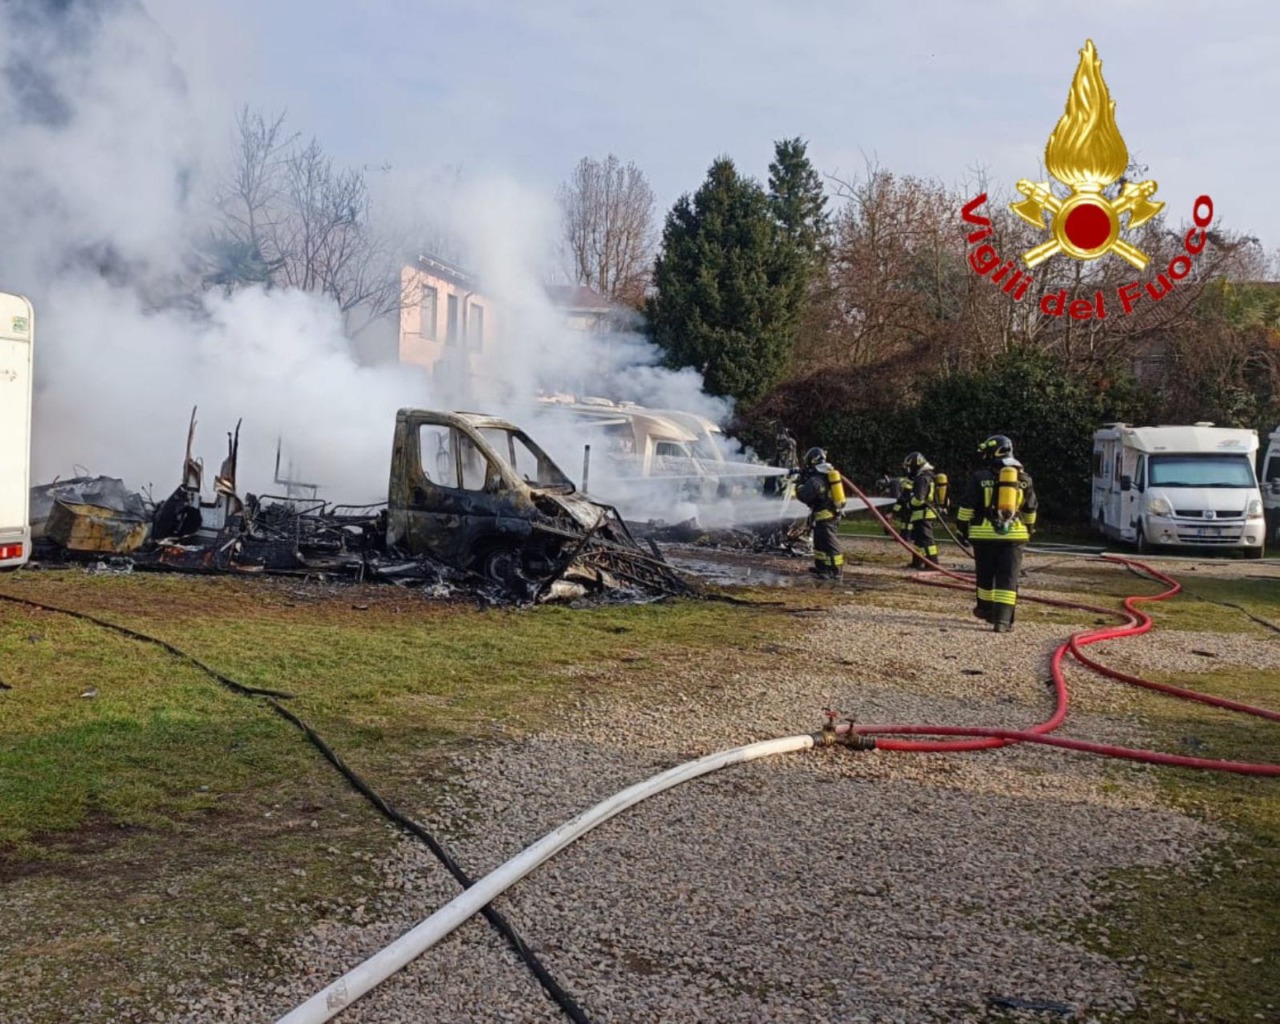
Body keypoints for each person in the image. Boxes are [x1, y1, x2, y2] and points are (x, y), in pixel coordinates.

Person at [956, 434, 1038, 633]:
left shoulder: (980, 477)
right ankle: (1002, 621)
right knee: (1008, 577)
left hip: (983, 535)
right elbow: (1030, 509)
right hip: (1013, 536)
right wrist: (1028, 529)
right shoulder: (1024, 478)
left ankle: (985, 610)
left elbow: (966, 507)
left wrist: (962, 529)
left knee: (985, 575)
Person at [794, 446, 846, 579]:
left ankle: (835, 571)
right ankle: (822, 568)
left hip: (826, 517)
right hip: (823, 516)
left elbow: (804, 496)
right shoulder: (823, 475)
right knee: (820, 543)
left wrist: (798, 484)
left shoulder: (815, 480)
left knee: (829, 544)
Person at [892, 451, 940, 569]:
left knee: (926, 539)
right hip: (921, 512)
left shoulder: (921, 478)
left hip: (923, 512)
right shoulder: (927, 475)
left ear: (915, 466)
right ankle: (917, 562)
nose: (908, 470)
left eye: (910, 467)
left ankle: (932, 564)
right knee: (919, 540)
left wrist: (908, 505)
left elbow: (919, 498)